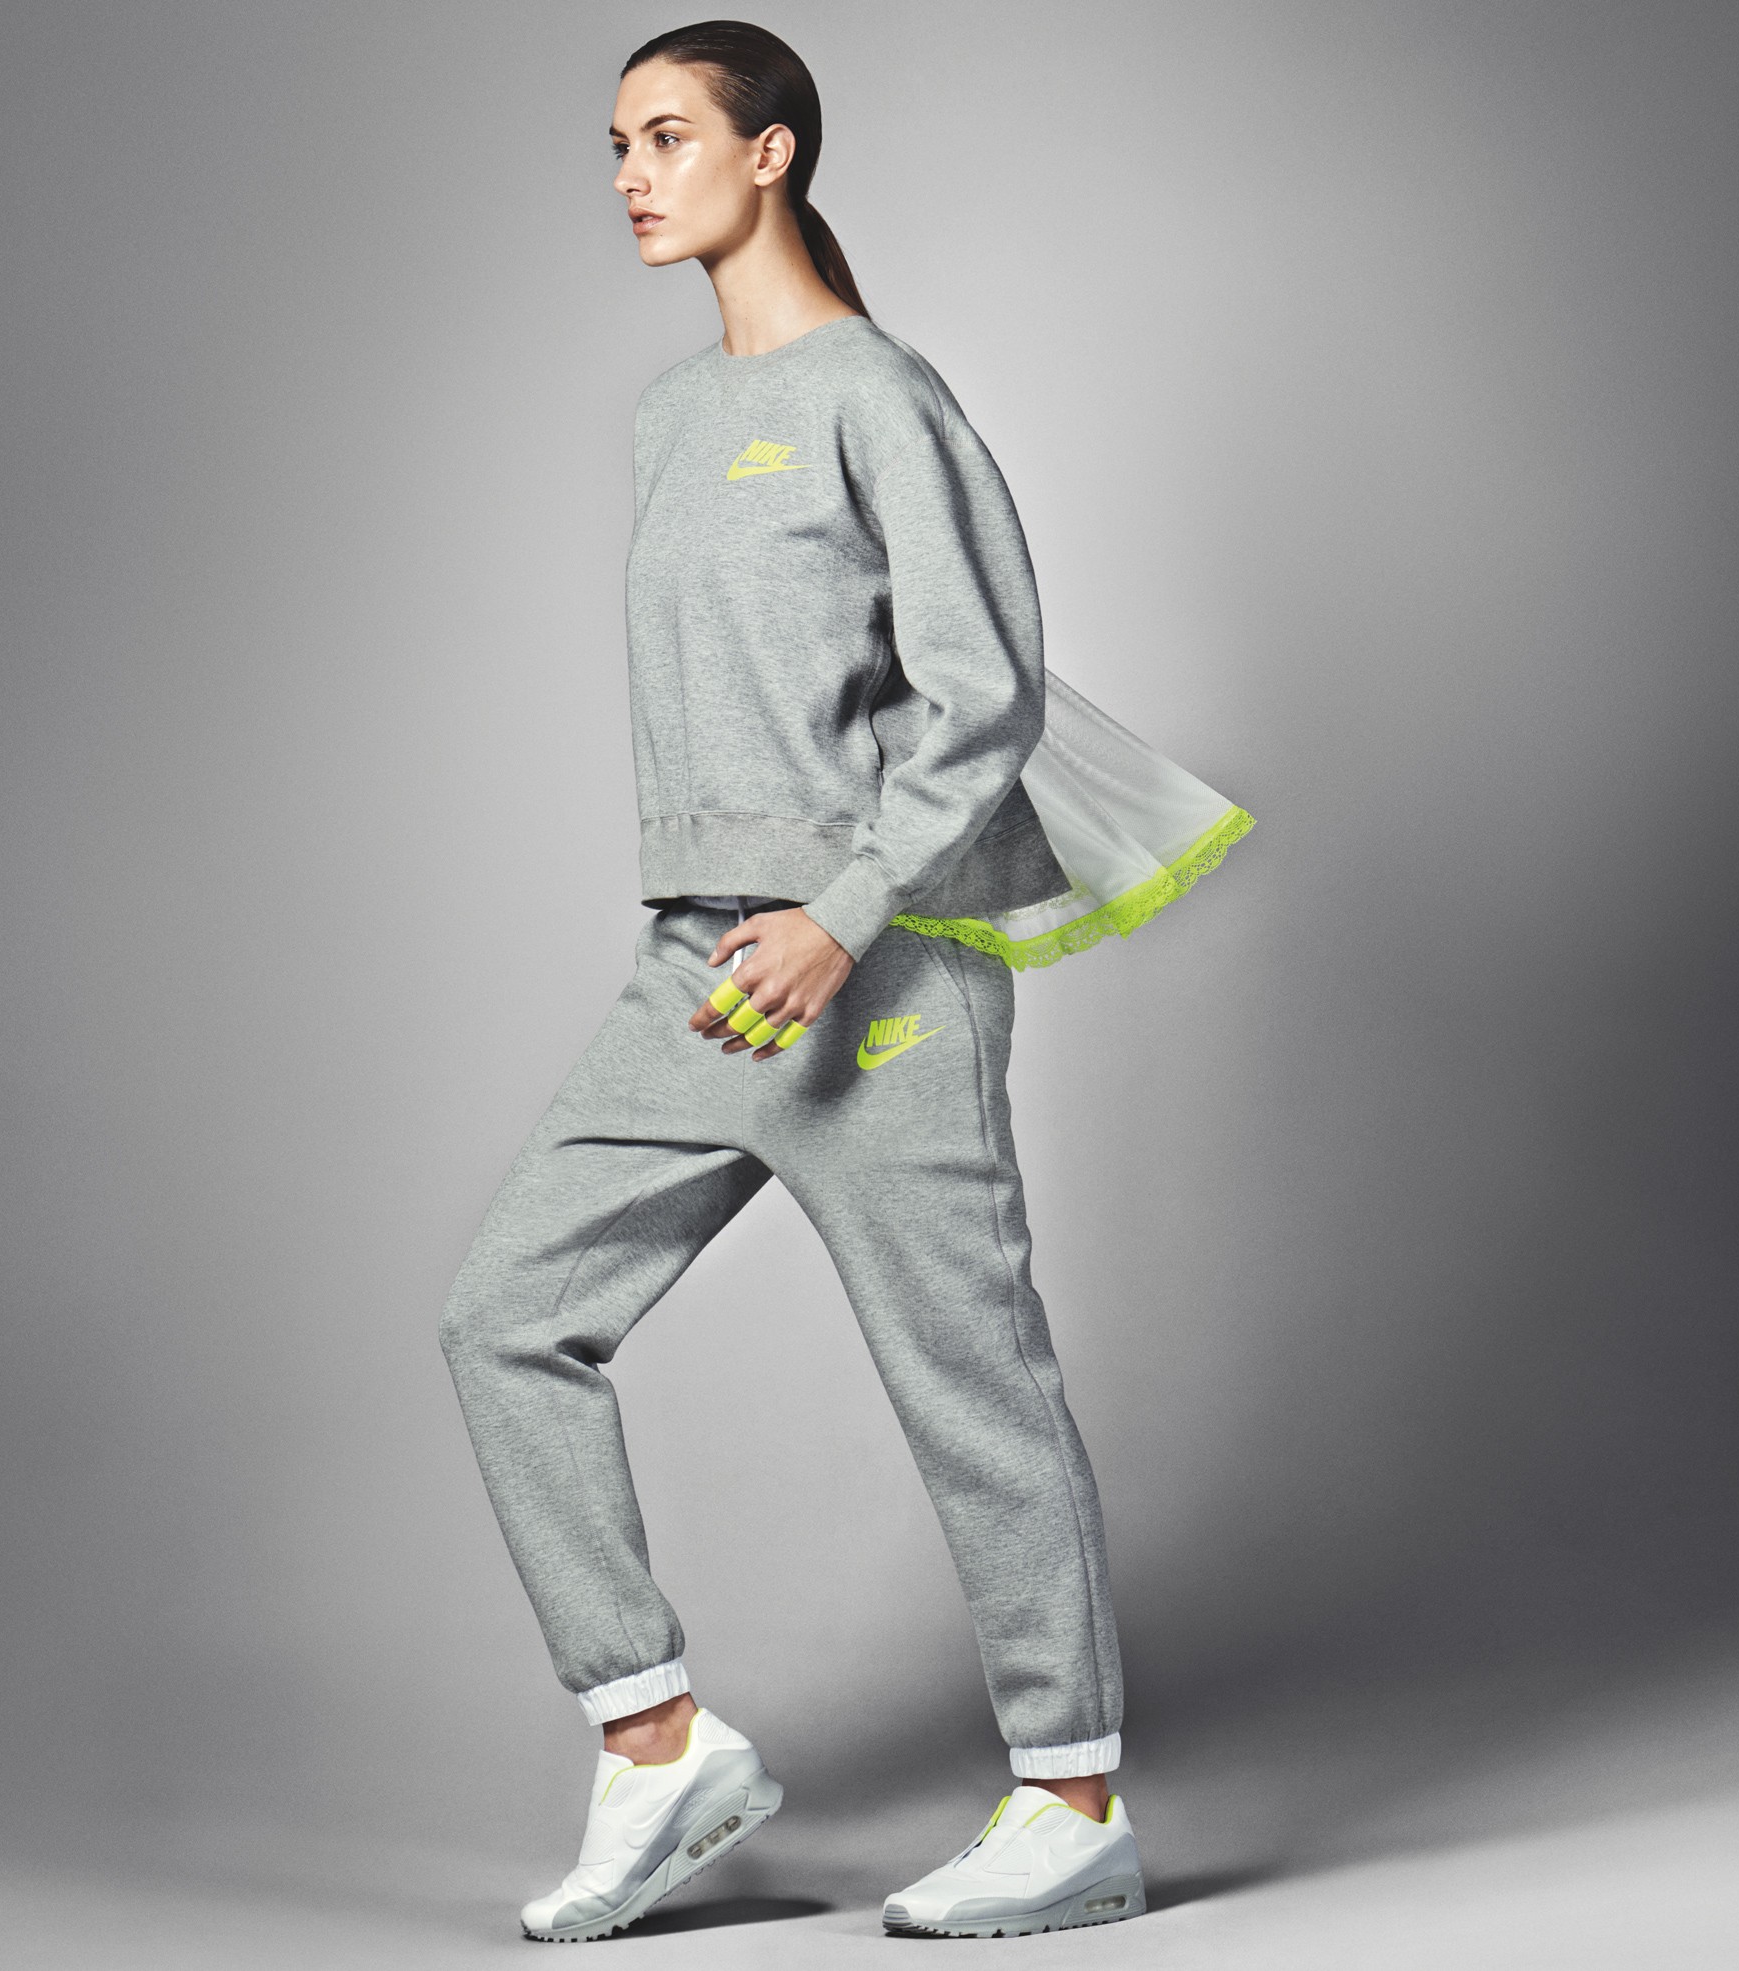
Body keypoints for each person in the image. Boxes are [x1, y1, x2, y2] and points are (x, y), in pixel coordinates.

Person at [438, 18, 1249, 1944]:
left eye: (665, 136)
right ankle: (656, 1745)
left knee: (972, 1386)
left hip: (872, 985)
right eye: (614, 144)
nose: (630, 175)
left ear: (772, 152)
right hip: (698, 969)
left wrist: (847, 911)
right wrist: (742, 917)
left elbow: (989, 693)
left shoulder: (880, 393)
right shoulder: (669, 415)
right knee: (505, 1321)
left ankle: (1073, 1803)